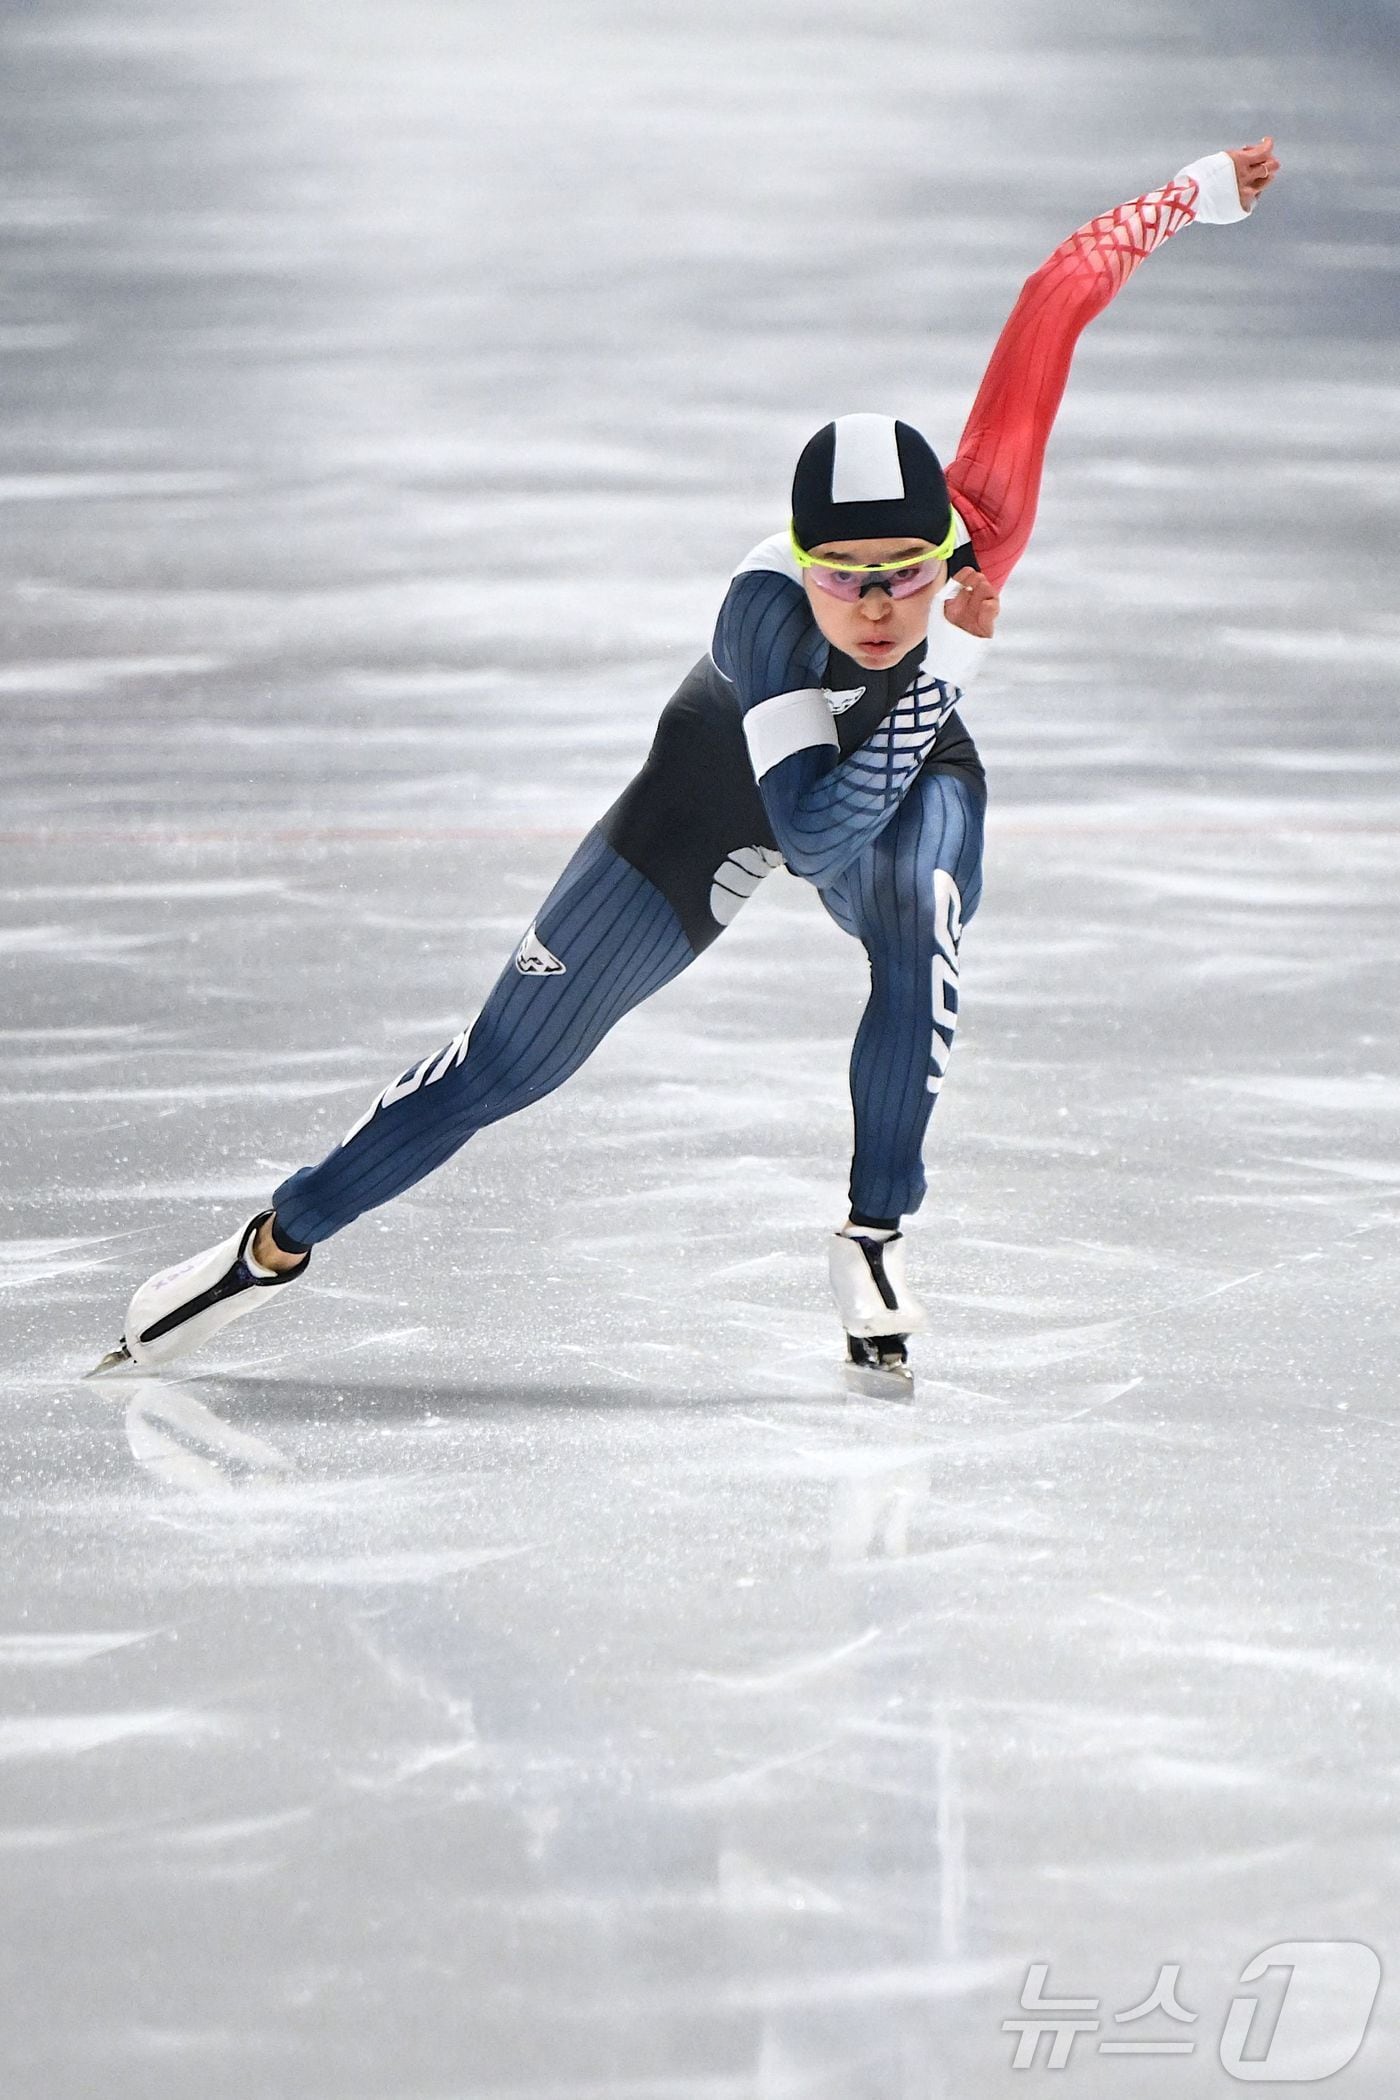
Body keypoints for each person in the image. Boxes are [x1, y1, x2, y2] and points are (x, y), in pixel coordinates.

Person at [93, 138, 1281, 1384]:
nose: (876, 608)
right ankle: (267, 1247)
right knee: (506, 1063)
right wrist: (949, 671)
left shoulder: (982, 521)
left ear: (951, 551)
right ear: (799, 564)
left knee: (919, 912)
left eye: (906, 579)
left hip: (906, 756)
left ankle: (872, 1234)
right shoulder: (760, 620)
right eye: (845, 582)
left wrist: (1193, 192)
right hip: (719, 787)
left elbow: (1055, 298)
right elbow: (809, 834)